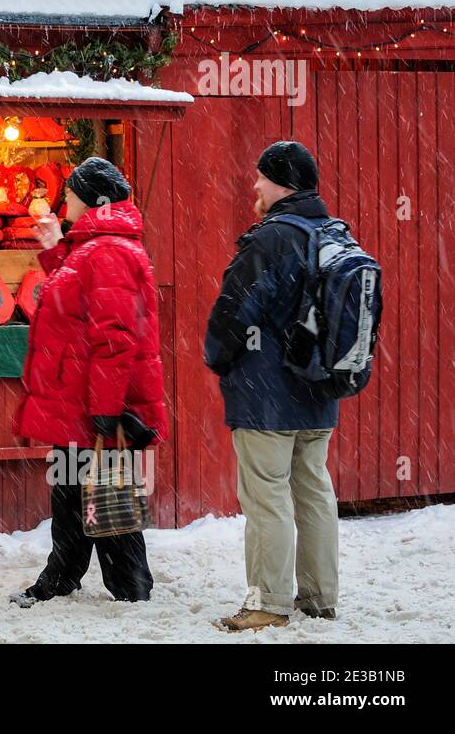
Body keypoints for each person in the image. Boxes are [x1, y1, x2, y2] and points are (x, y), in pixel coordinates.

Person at [10, 156, 167, 608]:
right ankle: (62, 576)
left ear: (91, 199)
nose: (65, 199)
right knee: (73, 494)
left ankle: (131, 590)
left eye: (71, 193)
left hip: (92, 402)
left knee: (103, 494)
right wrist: (58, 249)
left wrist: (106, 409)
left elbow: (114, 339)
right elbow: (82, 302)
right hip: (79, 397)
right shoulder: (97, 245)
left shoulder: (110, 249)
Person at [205, 141, 340, 631]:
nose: (254, 186)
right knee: (315, 493)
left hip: (268, 397)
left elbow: (234, 312)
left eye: (261, 177)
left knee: (267, 499)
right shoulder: (331, 234)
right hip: (320, 391)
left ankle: (267, 603)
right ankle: (321, 596)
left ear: (282, 184)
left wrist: (218, 358)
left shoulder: (272, 239)